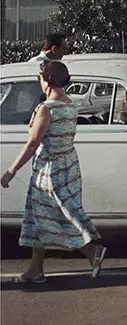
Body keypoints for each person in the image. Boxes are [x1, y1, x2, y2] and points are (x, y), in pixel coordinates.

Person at [0, 61, 106, 285]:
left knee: (59, 215)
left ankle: (92, 251)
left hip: (50, 171)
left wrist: (11, 170)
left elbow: (33, 144)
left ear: (47, 81)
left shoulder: (47, 108)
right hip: (68, 167)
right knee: (39, 217)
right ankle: (35, 269)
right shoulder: (70, 105)